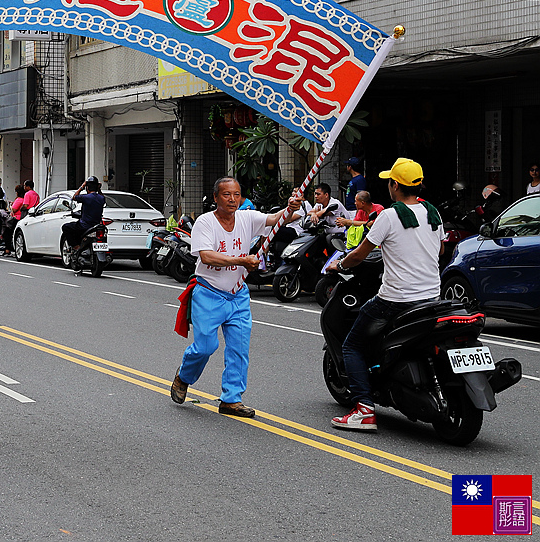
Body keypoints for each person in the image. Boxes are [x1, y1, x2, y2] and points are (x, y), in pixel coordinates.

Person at [327, 158, 443, 431]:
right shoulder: (432, 212)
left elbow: (359, 255)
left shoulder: (389, 216)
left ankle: (364, 410)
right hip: (432, 298)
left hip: (396, 299)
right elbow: (438, 252)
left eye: (389, 181)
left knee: (351, 345)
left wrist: (339, 265)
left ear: (394, 186)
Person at [170, 177, 302, 418]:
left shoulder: (247, 217)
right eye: (226, 195)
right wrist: (241, 260)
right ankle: (183, 377)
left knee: (239, 349)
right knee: (205, 347)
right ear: (215, 198)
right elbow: (207, 257)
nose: (232, 199)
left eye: (237, 194)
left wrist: (294, 207)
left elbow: (278, 219)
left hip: (238, 296)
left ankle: (231, 399)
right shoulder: (205, 222)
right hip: (209, 293)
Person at [61, 177, 107, 260]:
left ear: (87, 188)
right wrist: (98, 189)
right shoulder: (101, 198)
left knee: (66, 227)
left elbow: (74, 197)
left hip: (84, 226)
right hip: (96, 226)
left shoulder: (86, 197)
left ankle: (76, 247)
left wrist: (82, 186)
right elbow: (102, 197)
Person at [6, 184, 27, 255]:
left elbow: (14, 209)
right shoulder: (24, 199)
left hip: (15, 219)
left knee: (8, 233)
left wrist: (11, 206)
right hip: (20, 218)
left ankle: (7, 249)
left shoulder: (19, 200)